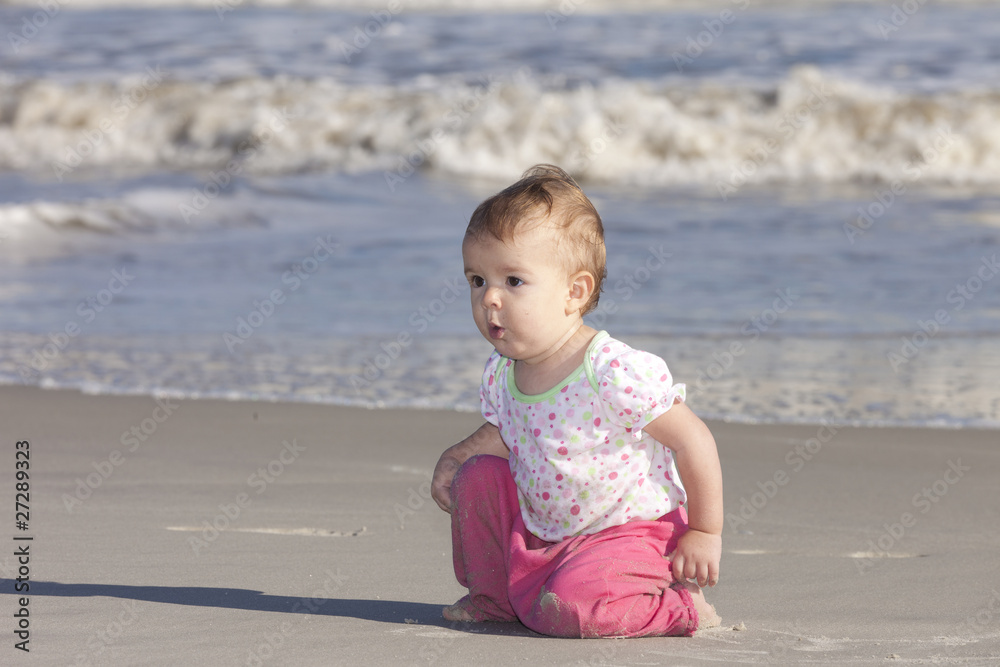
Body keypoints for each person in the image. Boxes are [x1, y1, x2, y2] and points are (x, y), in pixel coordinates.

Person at [431, 164, 723, 638]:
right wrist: (459, 456)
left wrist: (705, 532)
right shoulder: (503, 370)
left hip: (629, 534)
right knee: (478, 475)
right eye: (477, 280)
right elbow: (509, 432)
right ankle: (494, 598)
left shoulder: (610, 370)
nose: (489, 299)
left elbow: (693, 439)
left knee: (571, 611)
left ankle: (677, 606)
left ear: (574, 292)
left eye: (513, 281)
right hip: (548, 532)